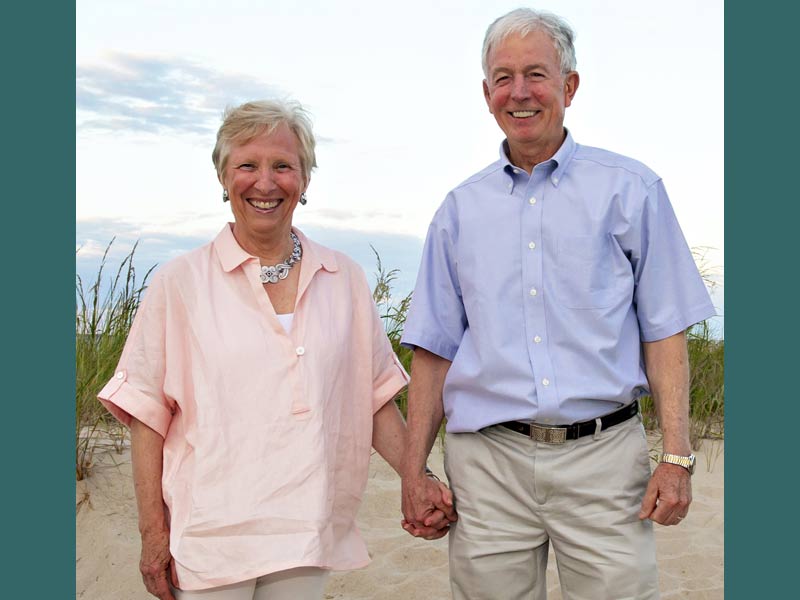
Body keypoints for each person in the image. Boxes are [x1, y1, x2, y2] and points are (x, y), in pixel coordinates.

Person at [399, 8, 716, 600]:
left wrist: (677, 454)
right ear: (486, 92)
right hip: (487, 465)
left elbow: (665, 330)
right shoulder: (459, 211)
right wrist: (415, 472)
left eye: (536, 75)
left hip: (604, 460)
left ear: (569, 86)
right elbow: (434, 351)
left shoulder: (630, 189)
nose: (519, 92)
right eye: (503, 77)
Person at [98, 99, 455, 600]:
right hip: (210, 537)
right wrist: (153, 535)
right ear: (223, 178)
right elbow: (147, 417)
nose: (265, 183)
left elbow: (371, 400)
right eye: (247, 165)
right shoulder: (179, 283)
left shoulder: (344, 278)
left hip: (305, 529)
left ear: (304, 180)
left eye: (283, 166)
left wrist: (417, 479)